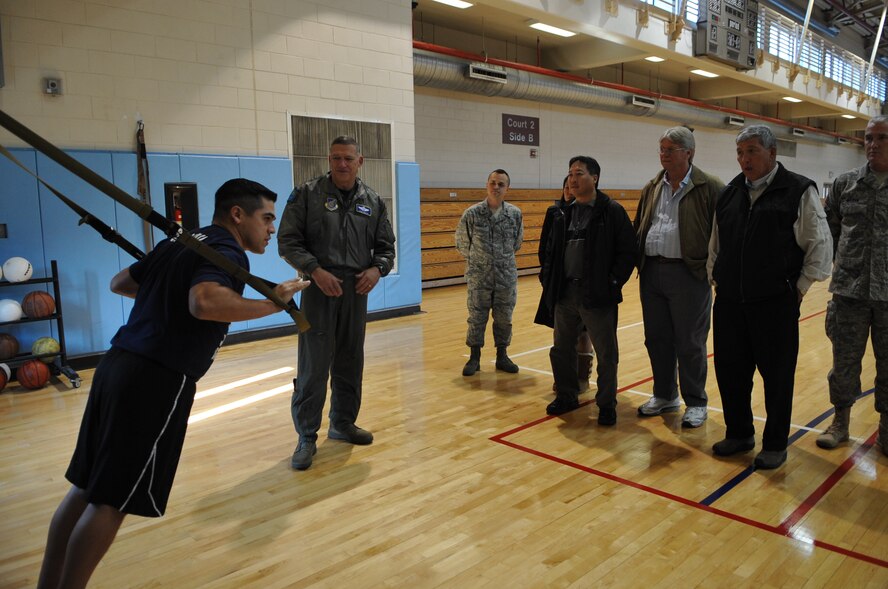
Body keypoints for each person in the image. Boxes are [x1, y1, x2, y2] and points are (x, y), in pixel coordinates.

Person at [37, 179, 309, 589]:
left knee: (84, 489)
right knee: (111, 501)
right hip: (154, 379)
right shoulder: (226, 250)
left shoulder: (182, 242)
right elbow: (204, 302)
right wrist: (274, 302)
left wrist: (165, 292)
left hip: (117, 365)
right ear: (238, 215)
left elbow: (122, 283)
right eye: (267, 218)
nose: (272, 229)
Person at [708, 125, 832, 469]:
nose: (743, 159)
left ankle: (775, 443)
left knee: (776, 377)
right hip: (731, 302)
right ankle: (739, 433)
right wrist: (716, 279)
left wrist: (799, 289)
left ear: (772, 153)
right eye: (740, 153)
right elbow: (715, 245)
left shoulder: (797, 190)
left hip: (775, 303)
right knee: (730, 371)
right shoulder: (730, 191)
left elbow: (819, 247)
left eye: (751, 151)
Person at [278, 136, 396, 471]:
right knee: (313, 365)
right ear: (328, 160)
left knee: (349, 359)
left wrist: (377, 270)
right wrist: (314, 270)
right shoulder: (308, 194)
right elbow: (287, 241)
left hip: (355, 292)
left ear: (360, 162)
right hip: (318, 289)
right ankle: (306, 436)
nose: (341, 164)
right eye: (335, 158)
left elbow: (386, 248)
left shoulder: (373, 200)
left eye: (347, 158)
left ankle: (342, 423)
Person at [634, 127, 723, 428]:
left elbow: (724, 232)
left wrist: (714, 272)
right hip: (652, 273)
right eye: (661, 149)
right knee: (657, 339)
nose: (664, 154)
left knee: (690, 342)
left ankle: (696, 401)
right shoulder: (652, 186)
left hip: (690, 274)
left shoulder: (710, 187)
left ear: (689, 152)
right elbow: (640, 224)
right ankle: (665, 395)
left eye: (670, 149)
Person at [538, 156, 636, 425]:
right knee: (561, 349)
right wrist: (549, 279)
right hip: (565, 293)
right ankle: (567, 395)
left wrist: (612, 283)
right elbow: (549, 251)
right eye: (570, 173)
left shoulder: (611, 211)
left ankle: (606, 404)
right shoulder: (563, 213)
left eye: (579, 173)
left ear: (594, 178)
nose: (572, 178)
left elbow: (628, 251)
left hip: (597, 295)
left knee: (606, 353)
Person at [817, 115, 888, 454]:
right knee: (843, 364)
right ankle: (840, 423)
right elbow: (828, 230)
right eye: (869, 137)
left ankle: (886, 430)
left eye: (882, 138)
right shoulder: (846, 184)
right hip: (849, 293)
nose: (873, 144)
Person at [455, 168, 524, 376]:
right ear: (487, 184)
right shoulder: (472, 213)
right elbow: (461, 242)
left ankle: (502, 356)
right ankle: (474, 358)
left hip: (506, 277)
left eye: (501, 184)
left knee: (504, 317)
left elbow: (517, 243)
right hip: (479, 276)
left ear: (507, 188)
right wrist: (481, 261)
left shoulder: (514, 214)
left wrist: (500, 260)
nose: (496, 187)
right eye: (493, 182)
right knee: (477, 316)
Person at [535, 175, 594, 392]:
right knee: (561, 332)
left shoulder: (592, 212)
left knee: (584, 333)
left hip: (585, 286)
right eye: (566, 186)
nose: (570, 190)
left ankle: (582, 377)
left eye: (573, 186)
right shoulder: (555, 212)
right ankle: (563, 378)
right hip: (559, 284)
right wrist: (547, 277)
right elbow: (544, 248)